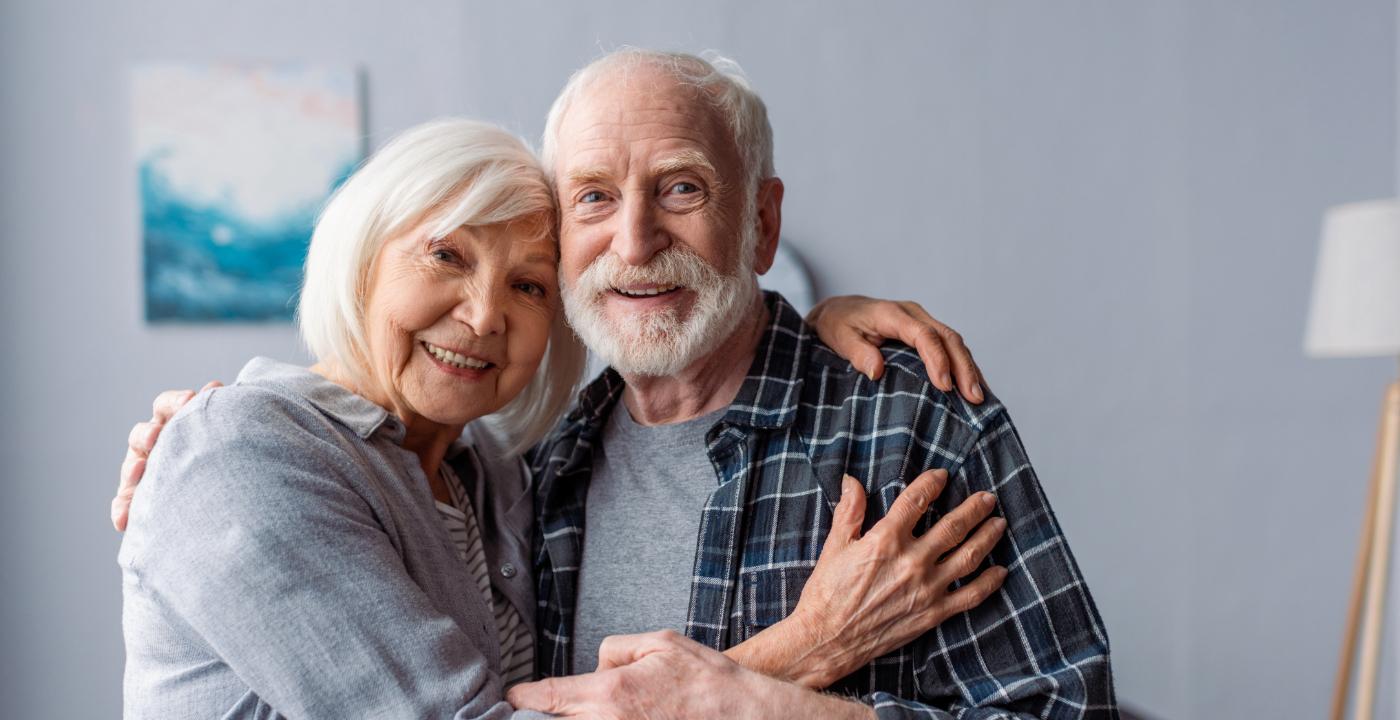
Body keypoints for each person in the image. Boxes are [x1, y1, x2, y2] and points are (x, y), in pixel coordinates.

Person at [117, 118, 1006, 718]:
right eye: (446, 255)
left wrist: (797, 332)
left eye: (530, 285)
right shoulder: (244, 455)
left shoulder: (498, 479)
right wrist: (804, 651)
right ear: (361, 250)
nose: (483, 315)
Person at [503, 49, 1118, 718]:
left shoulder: (911, 421)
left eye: (682, 187)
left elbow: (1070, 709)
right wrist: (806, 649)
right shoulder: (538, 469)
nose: (635, 241)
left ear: (761, 224)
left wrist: (761, 707)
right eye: (594, 196)